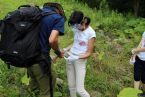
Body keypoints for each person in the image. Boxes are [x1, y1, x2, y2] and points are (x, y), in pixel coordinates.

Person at [27, 2, 66, 97]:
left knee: (34, 87)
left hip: (27, 58)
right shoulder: (57, 18)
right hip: (41, 61)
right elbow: (52, 40)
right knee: (47, 92)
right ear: (59, 10)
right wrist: (58, 52)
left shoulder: (36, 13)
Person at [64, 10, 96, 97]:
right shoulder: (76, 28)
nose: (75, 28)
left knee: (80, 90)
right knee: (71, 86)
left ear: (83, 22)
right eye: (74, 25)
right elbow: (75, 43)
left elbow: (89, 53)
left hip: (80, 61)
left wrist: (77, 57)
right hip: (70, 57)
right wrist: (66, 49)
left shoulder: (91, 33)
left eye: (77, 25)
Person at [131, 31, 145, 97]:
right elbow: (141, 42)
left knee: (144, 78)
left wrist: (136, 50)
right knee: (136, 76)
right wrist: (135, 53)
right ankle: (135, 94)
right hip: (139, 57)